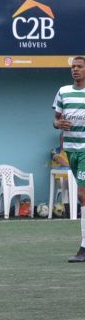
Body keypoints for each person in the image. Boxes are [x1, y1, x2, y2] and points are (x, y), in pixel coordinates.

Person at [53, 55, 85, 261]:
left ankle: (84, 247)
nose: (75, 70)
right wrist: (59, 124)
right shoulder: (63, 92)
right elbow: (56, 121)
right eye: (73, 67)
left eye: (80, 67)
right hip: (71, 150)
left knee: (83, 195)